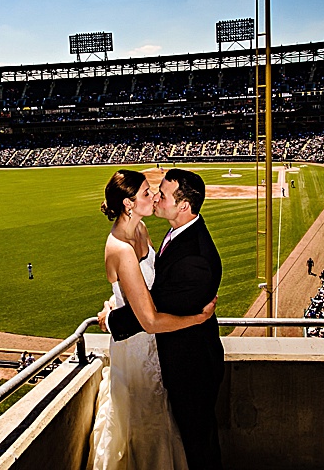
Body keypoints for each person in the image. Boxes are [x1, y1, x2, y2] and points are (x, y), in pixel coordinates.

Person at [90, 169, 216, 470]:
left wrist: (114, 313)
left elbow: (155, 291)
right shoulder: (121, 249)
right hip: (138, 345)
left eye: (157, 192)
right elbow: (149, 319)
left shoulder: (142, 230)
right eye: (148, 193)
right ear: (128, 204)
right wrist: (198, 319)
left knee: (160, 419)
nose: (155, 196)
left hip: (156, 344)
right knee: (144, 423)